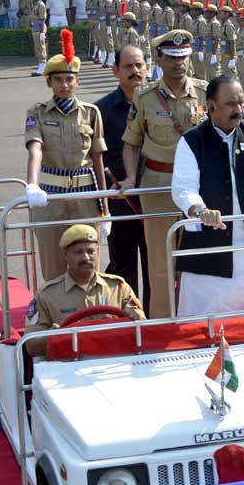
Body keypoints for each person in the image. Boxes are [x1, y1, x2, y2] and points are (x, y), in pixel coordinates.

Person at [171, 75, 244, 317]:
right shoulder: (192, 141)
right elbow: (183, 189)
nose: (239, 110)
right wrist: (200, 211)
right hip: (209, 263)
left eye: (241, 103)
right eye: (231, 104)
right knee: (204, 332)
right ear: (212, 106)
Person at [119, 30, 208, 318]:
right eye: (171, 57)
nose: (178, 62)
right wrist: (132, 178)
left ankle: (198, 321)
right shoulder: (146, 98)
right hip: (159, 187)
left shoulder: (206, 91)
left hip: (200, 187)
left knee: (201, 258)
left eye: (183, 56)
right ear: (158, 59)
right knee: (160, 264)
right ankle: (160, 326)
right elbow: (131, 143)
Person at [25, 31, 109, 282]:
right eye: (58, 79)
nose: (64, 84)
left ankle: (90, 317)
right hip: (51, 199)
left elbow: (98, 160)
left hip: (85, 199)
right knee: (53, 264)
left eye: (69, 79)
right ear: (49, 82)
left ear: (77, 81)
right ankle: (54, 317)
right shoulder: (38, 113)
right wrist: (32, 184)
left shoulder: (91, 113)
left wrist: (105, 210)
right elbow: (35, 148)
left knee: (88, 264)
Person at [25, 225, 145, 355]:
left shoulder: (118, 287)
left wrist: (135, 315)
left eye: (90, 251)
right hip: (69, 364)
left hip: (115, 362)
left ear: (98, 253)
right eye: (78, 252)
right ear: (65, 255)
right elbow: (31, 346)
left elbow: (142, 329)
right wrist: (54, 336)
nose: (86, 258)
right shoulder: (46, 295)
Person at [94, 45, 151, 313]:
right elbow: (95, 159)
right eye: (128, 66)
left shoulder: (159, 104)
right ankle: (126, 320)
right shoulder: (101, 111)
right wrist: (102, 204)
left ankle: (155, 319)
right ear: (116, 70)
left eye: (139, 65)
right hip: (120, 199)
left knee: (157, 264)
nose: (135, 71)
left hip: (155, 196)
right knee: (122, 264)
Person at [30, 0, 48, 76]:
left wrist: (42, 33)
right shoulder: (35, 4)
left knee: (41, 48)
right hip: (35, 28)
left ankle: (42, 68)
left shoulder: (41, 5)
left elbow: (42, 20)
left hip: (39, 29)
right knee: (37, 48)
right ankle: (40, 67)